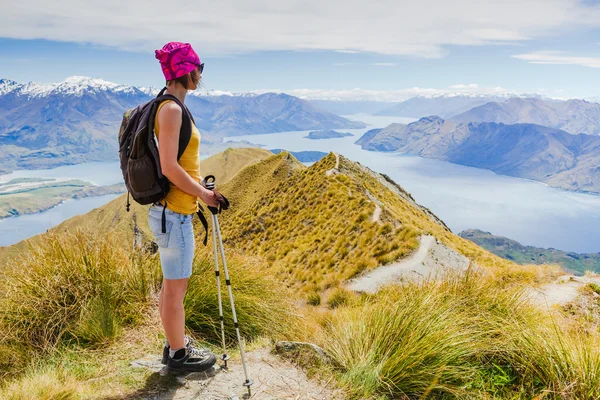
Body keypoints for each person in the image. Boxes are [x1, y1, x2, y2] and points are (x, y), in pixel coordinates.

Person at [149, 41, 220, 372]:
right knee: (177, 289)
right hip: (174, 214)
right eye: (197, 68)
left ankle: (172, 346)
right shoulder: (172, 109)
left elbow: (179, 164)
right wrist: (204, 196)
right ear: (185, 71)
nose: (200, 75)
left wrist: (198, 188)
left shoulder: (168, 106)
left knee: (170, 284)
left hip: (170, 211)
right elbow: (169, 167)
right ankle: (178, 355)